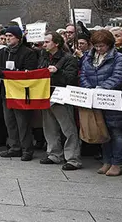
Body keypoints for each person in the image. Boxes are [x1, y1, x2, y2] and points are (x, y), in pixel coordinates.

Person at [79, 30, 122, 176]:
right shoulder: (89, 57)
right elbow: (83, 75)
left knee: (117, 131)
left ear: (109, 45)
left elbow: (118, 76)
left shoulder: (120, 58)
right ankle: (107, 160)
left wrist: (101, 88)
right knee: (103, 131)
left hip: (113, 100)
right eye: (96, 46)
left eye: (102, 46)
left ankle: (118, 162)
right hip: (96, 100)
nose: (99, 49)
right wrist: (89, 89)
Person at [0, 26, 38, 161]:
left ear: (18, 38)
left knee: (22, 122)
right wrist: (10, 73)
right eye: (6, 36)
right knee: (10, 121)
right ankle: (14, 147)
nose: (7, 38)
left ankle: (27, 149)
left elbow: (28, 71)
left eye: (10, 36)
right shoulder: (2, 52)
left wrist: (6, 73)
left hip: (21, 93)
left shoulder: (28, 53)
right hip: (6, 91)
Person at [38, 32, 82, 170]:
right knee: (49, 127)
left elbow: (70, 78)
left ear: (56, 43)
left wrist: (57, 71)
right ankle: (54, 154)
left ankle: (73, 158)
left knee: (68, 128)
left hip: (61, 96)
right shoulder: (43, 56)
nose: (44, 44)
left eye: (47, 42)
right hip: (46, 95)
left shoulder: (68, 59)